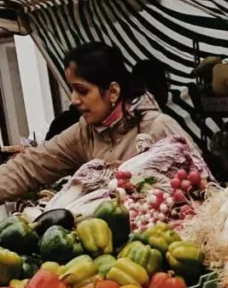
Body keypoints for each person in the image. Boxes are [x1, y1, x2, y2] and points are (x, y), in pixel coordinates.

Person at [0, 42, 193, 200]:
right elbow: (32, 165)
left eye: (82, 90)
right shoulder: (84, 133)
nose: (73, 99)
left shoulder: (158, 127)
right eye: (72, 90)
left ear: (113, 91)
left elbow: (201, 186)